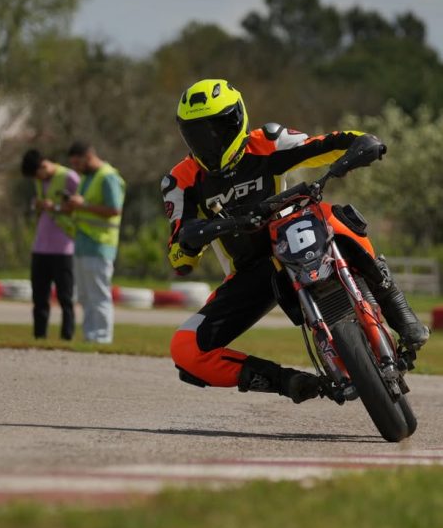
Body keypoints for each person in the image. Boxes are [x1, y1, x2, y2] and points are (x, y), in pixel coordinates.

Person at [162, 78, 429, 403]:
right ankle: (288, 381)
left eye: (216, 129)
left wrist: (362, 142)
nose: (210, 142)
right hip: (252, 273)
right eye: (197, 134)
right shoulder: (181, 179)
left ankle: (398, 308)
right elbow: (180, 259)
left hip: (294, 233)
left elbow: (326, 144)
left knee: (333, 215)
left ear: (237, 119)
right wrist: (196, 237)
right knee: (185, 349)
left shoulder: (267, 142)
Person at [66, 141, 125, 343]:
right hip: (83, 243)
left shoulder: (108, 177)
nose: (76, 168)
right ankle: (90, 335)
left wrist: (83, 205)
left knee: (98, 294)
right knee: (84, 295)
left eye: (77, 163)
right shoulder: (87, 177)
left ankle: (102, 337)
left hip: (100, 244)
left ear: (89, 157)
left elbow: (114, 209)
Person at [21, 149, 80, 340]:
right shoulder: (40, 181)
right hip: (40, 246)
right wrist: (37, 204)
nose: (37, 179)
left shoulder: (70, 177)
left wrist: (54, 207)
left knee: (65, 297)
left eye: (37, 174)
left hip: (63, 247)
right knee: (39, 297)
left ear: (43, 165)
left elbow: (79, 206)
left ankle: (67, 336)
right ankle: (39, 336)